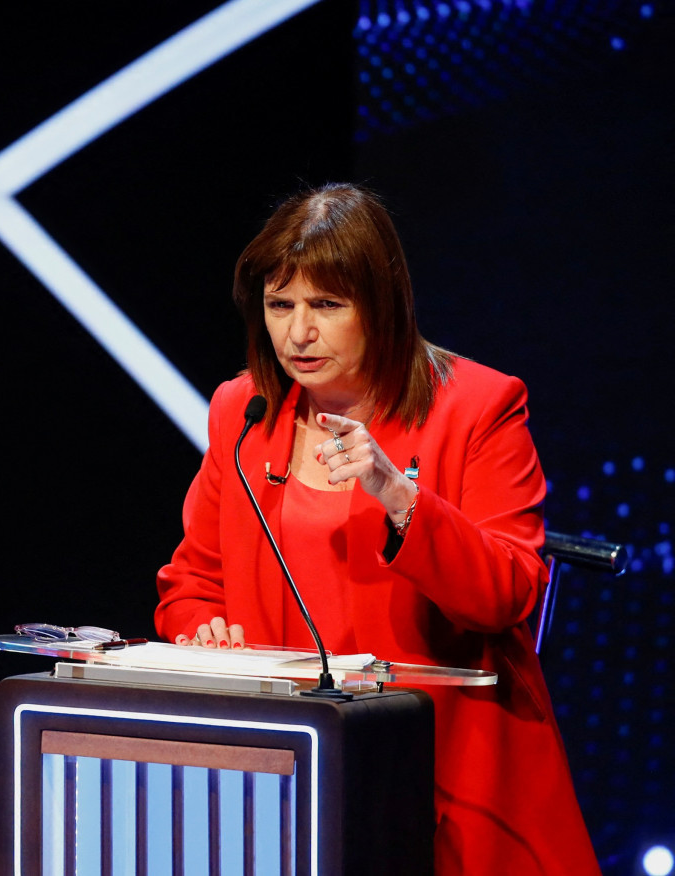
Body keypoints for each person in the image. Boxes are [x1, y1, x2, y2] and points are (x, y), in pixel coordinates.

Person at [155, 183, 600, 874]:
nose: (298, 334)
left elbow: (507, 592)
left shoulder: (479, 406)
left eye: (327, 306)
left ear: (381, 304)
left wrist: (400, 497)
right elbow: (192, 581)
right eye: (281, 306)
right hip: (288, 766)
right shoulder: (242, 408)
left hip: (443, 771)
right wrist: (203, 629)